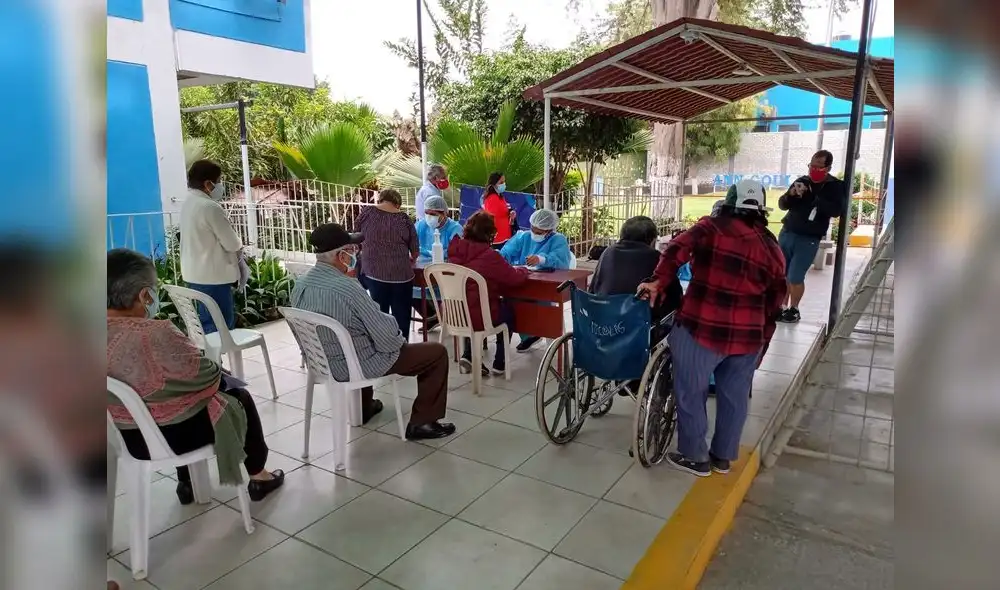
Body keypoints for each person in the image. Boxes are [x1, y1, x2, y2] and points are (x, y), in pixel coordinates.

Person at [107, 248, 285, 504]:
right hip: (170, 437)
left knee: (173, 396)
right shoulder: (156, 334)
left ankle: (187, 482)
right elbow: (206, 376)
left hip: (122, 437)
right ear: (145, 295)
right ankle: (259, 475)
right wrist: (217, 371)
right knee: (237, 396)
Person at [637, 179, 786, 477]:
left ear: (728, 203)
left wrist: (657, 280)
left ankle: (695, 457)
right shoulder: (772, 247)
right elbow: (776, 302)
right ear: (761, 210)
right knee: (735, 398)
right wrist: (762, 343)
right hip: (748, 338)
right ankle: (722, 457)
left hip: (701, 329)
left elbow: (676, 249)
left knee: (691, 392)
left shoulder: (711, 228)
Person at [291, 223, 456, 440]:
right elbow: (388, 340)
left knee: (358, 338)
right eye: (352, 250)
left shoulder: (300, 284)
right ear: (341, 255)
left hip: (321, 362)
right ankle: (423, 423)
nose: (356, 254)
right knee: (435, 353)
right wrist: (396, 335)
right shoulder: (347, 287)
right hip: (352, 365)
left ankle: (364, 407)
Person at [447, 211, 531, 376]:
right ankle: (499, 363)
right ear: (489, 234)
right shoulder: (490, 256)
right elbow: (513, 279)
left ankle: (469, 355)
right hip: (479, 316)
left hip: (454, 314)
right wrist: (523, 271)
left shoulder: (455, 250)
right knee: (507, 312)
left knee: (472, 306)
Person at [776, 149, 848, 323]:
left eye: (818, 167)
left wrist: (813, 197)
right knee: (782, 273)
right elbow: (782, 205)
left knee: (795, 275)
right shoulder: (802, 181)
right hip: (788, 232)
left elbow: (836, 210)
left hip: (809, 238)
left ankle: (794, 309)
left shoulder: (835, 186)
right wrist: (791, 194)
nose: (813, 170)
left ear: (827, 168)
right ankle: (781, 307)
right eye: (811, 166)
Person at [179, 159, 247, 334]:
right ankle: (216, 361)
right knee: (220, 328)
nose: (220, 186)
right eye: (218, 181)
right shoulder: (209, 207)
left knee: (206, 325)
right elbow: (232, 243)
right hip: (214, 278)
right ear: (208, 183)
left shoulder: (188, 202)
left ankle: (212, 360)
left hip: (195, 275)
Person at [501, 208, 572, 352]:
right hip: (524, 281)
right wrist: (498, 257)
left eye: (539, 232)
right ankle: (528, 335)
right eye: (533, 229)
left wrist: (541, 259)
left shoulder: (558, 240)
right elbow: (507, 251)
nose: (535, 234)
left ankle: (542, 332)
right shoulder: (524, 237)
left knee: (541, 306)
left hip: (547, 286)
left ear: (549, 230)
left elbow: (561, 261)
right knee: (511, 302)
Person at [355, 188, 419, 337]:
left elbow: (356, 237)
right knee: (402, 315)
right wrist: (409, 259)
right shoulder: (404, 219)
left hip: (373, 272)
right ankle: (403, 350)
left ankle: (381, 348)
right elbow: (415, 251)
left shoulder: (367, 213)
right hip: (401, 275)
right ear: (397, 204)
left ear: (381, 200)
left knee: (379, 315)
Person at [413, 194, 462, 332]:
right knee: (407, 289)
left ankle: (447, 317)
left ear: (444, 213)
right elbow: (411, 245)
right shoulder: (422, 225)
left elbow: (455, 254)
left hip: (445, 271)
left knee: (444, 289)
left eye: (433, 214)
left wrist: (432, 254)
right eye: (427, 213)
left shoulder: (455, 229)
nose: (429, 217)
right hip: (421, 269)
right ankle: (430, 316)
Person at [482, 172, 517, 248]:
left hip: (505, 236)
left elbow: (505, 216)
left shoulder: (500, 197)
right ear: (494, 184)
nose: (504, 184)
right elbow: (493, 217)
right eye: (501, 182)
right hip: (497, 238)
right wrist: (508, 213)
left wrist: (511, 216)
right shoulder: (491, 198)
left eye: (504, 182)